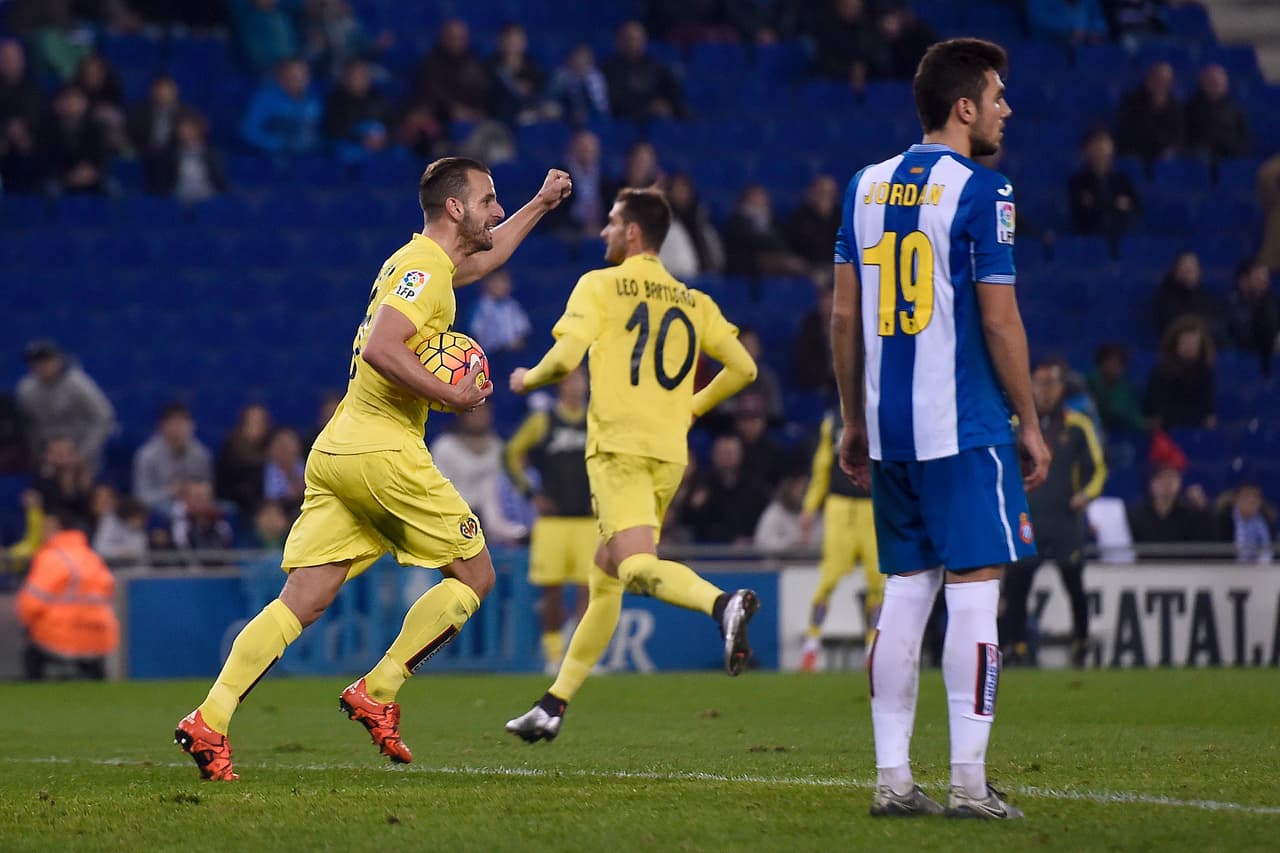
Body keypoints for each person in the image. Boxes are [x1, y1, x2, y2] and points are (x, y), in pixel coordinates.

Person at [174, 157, 572, 781]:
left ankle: (210, 718)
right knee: (476, 575)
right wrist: (451, 397)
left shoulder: (420, 261)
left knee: (302, 600)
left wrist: (542, 205)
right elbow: (384, 348)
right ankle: (379, 690)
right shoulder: (421, 269)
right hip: (382, 449)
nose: (498, 208)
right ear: (456, 208)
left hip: (339, 450)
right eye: (490, 199)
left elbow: (486, 261)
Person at [832, 38, 1049, 819]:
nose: (1004, 109)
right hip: (963, 425)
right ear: (964, 107)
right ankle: (967, 781)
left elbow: (844, 313)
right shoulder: (985, 191)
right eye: (996, 97)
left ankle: (892, 780)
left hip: (890, 428)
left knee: (906, 592)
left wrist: (853, 419)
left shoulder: (862, 187)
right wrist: (1030, 419)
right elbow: (999, 318)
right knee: (975, 595)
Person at [504, 187, 760, 744]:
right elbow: (743, 369)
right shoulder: (695, 301)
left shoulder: (598, 285)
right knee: (606, 578)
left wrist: (530, 378)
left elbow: (567, 358)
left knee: (636, 568)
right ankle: (553, 704)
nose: (603, 232)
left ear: (633, 233)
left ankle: (722, 604)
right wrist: (691, 407)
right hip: (668, 455)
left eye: (612, 223)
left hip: (618, 451)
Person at [1000, 360, 1106, 668]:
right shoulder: (1018, 425)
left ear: (1061, 388)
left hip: (1064, 518)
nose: (1044, 391)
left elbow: (1097, 468)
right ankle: (1016, 646)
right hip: (1028, 517)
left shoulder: (1076, 424)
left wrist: (1085, 495)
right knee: (1017, 584)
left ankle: (1081, 642)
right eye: (1039, 383)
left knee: (1074, 583)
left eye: (1051, 384)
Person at [504, 368, 593, 672]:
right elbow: (511, 453)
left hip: (588, 519)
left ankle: (580, 658)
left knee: (589, 590)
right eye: (570, 381)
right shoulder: (543, 421)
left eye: (580, 380)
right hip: (553, 521)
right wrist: (531, 493)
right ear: (560, 387)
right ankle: (554, 654)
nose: (576, 386)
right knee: (551, 591)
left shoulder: (596, 420)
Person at [796, 410, 883, 672]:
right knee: (829, 579)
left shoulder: (881, 412)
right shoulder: (833, 420)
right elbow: (822, 465)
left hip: (872, 507)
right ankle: (812, 644)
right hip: (839, 508)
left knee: (877, 583)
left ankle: (873, 648)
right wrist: (810, 507)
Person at [16, 504, 120, 680]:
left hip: (60, 634)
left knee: (31, 653)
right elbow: (109, 588)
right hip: (99, 633)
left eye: (45, 527)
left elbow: (31, 602)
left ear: (57, 528)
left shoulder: (50, 557)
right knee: (93, 668)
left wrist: (28, 623)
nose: (42, 532)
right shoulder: (91, 556)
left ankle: (36, 691)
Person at [15, 339, 115, 476]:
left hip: (82, 450)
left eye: (45, 361)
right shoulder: (26, 389)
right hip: (47, 454)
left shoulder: (77, 383)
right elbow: (29, 426)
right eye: (36, 362)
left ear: (57, 360)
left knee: (79, 489)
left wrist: (83, 452)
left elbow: (103, 417)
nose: (41, 366)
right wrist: (39, 454)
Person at [132, 402, 214, 512]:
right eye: (173, 423)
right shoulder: (147, 455)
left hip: (194, 507)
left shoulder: (200, 453)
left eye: (182, 423)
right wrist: (171, 492)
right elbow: (140, 497)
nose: (178, 428)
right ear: (162, 426)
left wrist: (194, 491)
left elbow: (208, 488)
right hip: (161, 510)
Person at [601, 20, 687, 120]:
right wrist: (647, 108)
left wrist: (669, 105)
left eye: (639, 39)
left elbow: (671, 90)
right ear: (620, 41)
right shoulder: (609, 69)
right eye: (631, 39)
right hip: (626, 121)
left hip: (656, 120)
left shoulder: (654, 65)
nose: (635, 43)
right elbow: (615, 102)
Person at [1144, 315, 1217, 430]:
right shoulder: (1161, 372)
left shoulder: (1206, 374)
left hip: (1196, 431)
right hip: (1167, 432)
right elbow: (1158, 410)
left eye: (1193, 343)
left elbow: (1207, 410)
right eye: (1185, 342)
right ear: (1175, 343)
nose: (1189, 347)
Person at [240, 58, 322, 156]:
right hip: (274, 159)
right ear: (280, 77)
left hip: (311, 156)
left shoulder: (315, 98)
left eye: (304, 75)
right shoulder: (265, 98)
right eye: (293, 75)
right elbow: (249, 131)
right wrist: (279, 144)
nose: (300, 79)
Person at [1067, 127, 1140, 238]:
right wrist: (1115, 205)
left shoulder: (1122, 180)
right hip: (1089, 236)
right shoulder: (1078, 182)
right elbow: (1081, 213)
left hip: (1122, 232)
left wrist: (1097, 204)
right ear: (1087, 150)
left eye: (1104, 143)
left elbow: (1136, 206)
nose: (1101, 150)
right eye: (1096, 144)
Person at [1126, 464, 1215, 545]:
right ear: (1151, 483)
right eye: (1161, 477)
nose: (1167, 482)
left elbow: (1207, 543)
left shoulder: (1190, 513)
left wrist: (1203, 508)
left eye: (1172, 477)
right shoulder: (1135, 514)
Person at [1114, 61, 1183, 164]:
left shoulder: (1176, 106)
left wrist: (1170, 150)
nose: (1162, 85)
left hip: (1164, 158)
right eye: (1158, 80)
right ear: (1149, 80)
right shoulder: (1130, 102)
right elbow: (1128, 134)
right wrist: (1155, 109)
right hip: (1137, 154)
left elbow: (1179, 136)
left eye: (1166, 82)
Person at [1224, 257, 1279, 376]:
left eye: (1265, 277)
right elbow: (1242, 334)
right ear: (1243, 280)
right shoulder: (1232, 303)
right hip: (1246, 350)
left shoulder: (1270, 301)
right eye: (1259, 278)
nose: (1264, 282)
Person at [1184, 64, 1251, 161]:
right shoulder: (1190, 109)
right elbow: (1185, 139)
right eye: (1211, 81)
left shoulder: (1236, 111)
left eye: (1219, 81)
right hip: (1200, 159)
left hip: (1229, 158)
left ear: (1226, 84)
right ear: (1202, 83)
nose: (1216, 83)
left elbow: (1245, 141)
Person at [216, 403, 273, 517]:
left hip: (269, 502)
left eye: (259, 422)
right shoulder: (231, 450)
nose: (255, 427)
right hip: (240, 503)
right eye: (251, 422)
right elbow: (222, 487)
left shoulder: (273, 447)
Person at [1151, 251, 1220, 341]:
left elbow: (1216, 323)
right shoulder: (1165, 297)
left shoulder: (1205, 296)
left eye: (1193, 268)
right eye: (1185, 268)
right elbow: (1175, 326)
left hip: (1206, 344)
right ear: (1176, 271)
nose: (1189, 272)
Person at [1086, 343, 1148, 434]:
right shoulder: (1087, 382)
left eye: (1120, 364)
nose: (1115, 367)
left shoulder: (1125, 391)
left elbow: (1135, 419)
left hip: (1117, 437)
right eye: (1111, 361)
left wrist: (1147, 424)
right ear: (1100, 363)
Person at [467, 268, 531, 352]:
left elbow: (523, 332)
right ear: (487, 284)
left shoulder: (512, 306)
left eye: (504, 282)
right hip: (488, 354)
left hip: (512, 354)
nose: (501, 286)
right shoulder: (480, 307)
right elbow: (474, 334)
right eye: (496, 282)